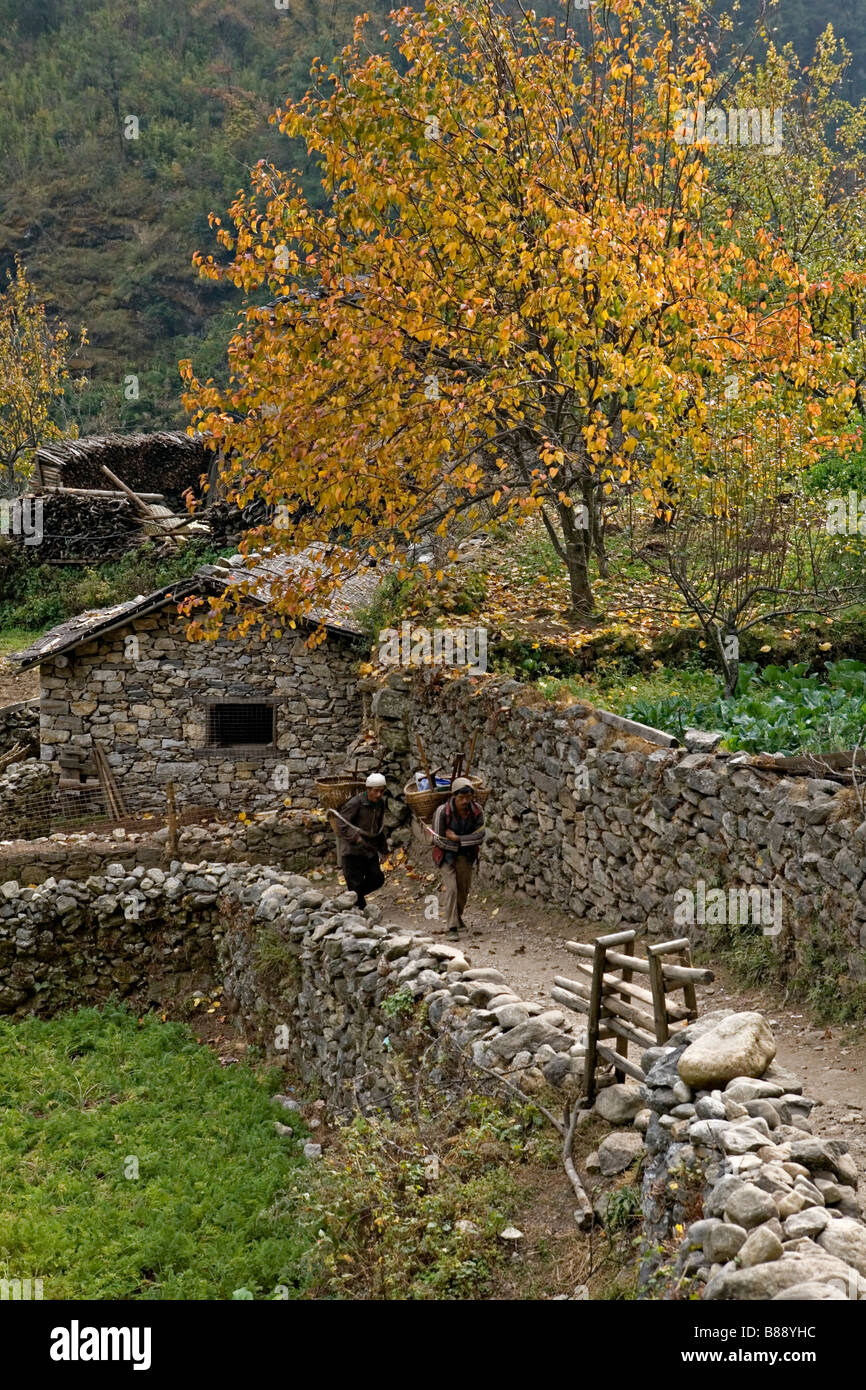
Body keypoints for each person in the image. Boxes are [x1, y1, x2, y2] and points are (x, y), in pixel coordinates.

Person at [430, 776, 485, 935]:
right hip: (445, 855)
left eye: (468, 797)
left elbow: (480, 836)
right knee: (452, 889)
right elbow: (438, 839)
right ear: (453, 796)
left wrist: (458, 839)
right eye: (461, 797)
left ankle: (457, 916)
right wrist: (460, 843)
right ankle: (451, 927)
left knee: (463, 889)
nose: (465, 801)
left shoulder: (477, 811)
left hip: (466, 855)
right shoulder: (442, 811)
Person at [336, 772, 389, 909]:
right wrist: (356, 838)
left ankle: (351, 897)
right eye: (376, 791)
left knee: (377, 879)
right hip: (352, 851)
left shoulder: (380, 803)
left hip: (369, 850)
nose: (378, 795)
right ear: (368, 789)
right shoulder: (355, 803)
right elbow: (341, 824)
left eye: (381, 791)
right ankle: (360, 911)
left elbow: (379, 827)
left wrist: (383, 850)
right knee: (354, 883)